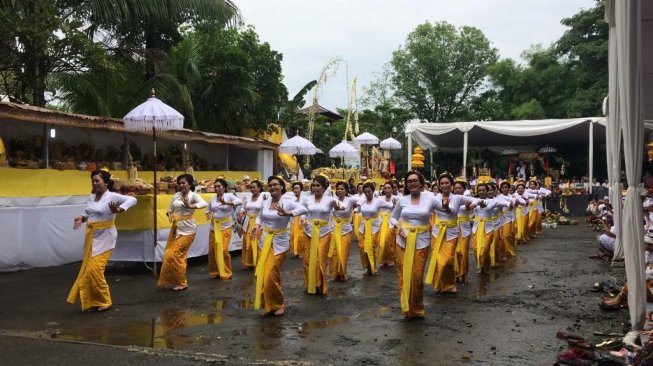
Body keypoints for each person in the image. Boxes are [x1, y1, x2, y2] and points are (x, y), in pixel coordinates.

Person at [69, 170, 136, 312]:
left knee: (95, 269)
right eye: (93, 181)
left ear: (106, 182)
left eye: (97, 180)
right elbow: (92, 214)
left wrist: (119, 209)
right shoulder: (92, 197)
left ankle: (105, 300)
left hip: (106, 237)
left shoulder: (111, 196)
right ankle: (93, 301)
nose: (94, 183)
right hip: (92, 237)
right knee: (88, 271)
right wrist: (82, 218)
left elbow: (132, 199)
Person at [251, 176, 307, 316]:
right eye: (270, 185)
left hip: (280, 242)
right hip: (264, 241)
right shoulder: (265, 202)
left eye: (275, 184)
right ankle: (268, 305)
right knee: (264, 274)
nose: (272, 187)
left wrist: (288, 213)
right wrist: (257, 226)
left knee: (271, 273)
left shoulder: (288, 202)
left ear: (282, 186)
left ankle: (278, 303)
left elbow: (303, 209)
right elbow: (260, 217)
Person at [390, 171, 438, 319]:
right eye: (409, 181)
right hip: (403, 241)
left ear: (421, 183)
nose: (412, 183)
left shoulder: (430, 199)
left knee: (417, 277)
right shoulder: (402, 200)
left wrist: (459, 207)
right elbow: (392, 218)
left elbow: (446, 210)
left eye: (415, 180)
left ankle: (416, 309)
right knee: (403, 275)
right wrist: (398, 227)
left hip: (421, 241)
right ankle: (406, 308)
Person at [425, 173, 477, 293]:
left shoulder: (458, 198)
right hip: (437, 232)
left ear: (451, 185)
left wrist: (474, 204)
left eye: (447, 183)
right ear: (439, 185)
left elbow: (476, 199)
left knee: (447, 260)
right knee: (438, 260)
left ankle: (449, 284)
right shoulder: (434, 198)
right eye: (442, 183)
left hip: (452, 232)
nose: (444, 185)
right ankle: (440, 284)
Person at [158, 174, 207, 291]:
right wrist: (170, 214)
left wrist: (190, 205)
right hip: (176, 229)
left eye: (183, 183)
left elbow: (204, 204)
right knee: (173, 255)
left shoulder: (193, 195)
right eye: (179, 183)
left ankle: (182, 282)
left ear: (190, 184)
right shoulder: (176, 195)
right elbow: (170, 210)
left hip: (188, 230)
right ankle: (178, 279)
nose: (181, 185)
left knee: (173, 254)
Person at [300, 175, 342, 295]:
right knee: (307, 259)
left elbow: (339, 206)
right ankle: (310, 283)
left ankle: (320, 284)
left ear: (324, 188)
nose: (315, 187)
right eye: (313, 185)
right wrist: (303, 219)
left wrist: (340, 207)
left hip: (324, 232)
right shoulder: (307, 199)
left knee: (320, 259)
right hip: (309, 231)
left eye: (318, 185)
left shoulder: (330, 199)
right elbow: (303, 211)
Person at [205, 178, 242, 280]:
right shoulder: (212, 198)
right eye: (215, 186)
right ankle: (215, 271)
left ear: (224, 187)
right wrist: (208, 214)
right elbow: (208, 210)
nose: (217, 188)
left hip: (225, 226)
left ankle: (226, 271)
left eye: (219, 186)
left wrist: (227, 203)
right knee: (212, 249)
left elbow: (240, 201)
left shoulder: (228, 196)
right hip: (214, 227)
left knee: (224, 249)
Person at [356, 181, 395, 275]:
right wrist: (353, 209)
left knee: (370, 246)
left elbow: (391, 207)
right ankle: (367, 266)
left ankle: (373, 267)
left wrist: (395, 205)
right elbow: (358, 210)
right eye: (365, 192)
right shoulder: (362, 201)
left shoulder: (378, 201)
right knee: (362, 247)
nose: (367, 194)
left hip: (374, 227)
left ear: (373, 191)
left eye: (369, 192)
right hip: (363, 226)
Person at [330, 181, 357, 281]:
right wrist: (335, 209)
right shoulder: (332, 200)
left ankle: (342, 273)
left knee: (344, 252)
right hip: (334, 228)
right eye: (338, 189)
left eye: (342, 189)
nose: (340, 190)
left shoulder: (350, 200)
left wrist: (350, 206)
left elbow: (361, 199)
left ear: (346, 190)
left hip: (346, 229)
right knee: (335, 252)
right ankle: (336, 273)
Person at [239, 180, 266, 270]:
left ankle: (257, 262)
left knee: (256, 242)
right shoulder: (248, 197)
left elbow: (264, 211)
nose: (252, 189)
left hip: (257, 222)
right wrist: (242, 212)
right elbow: (243, 207)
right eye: (251, 187)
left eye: (254, 187)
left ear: (259, 188)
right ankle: (249, 262)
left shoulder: (263, 198)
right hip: (247, 221)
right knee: (248, 242)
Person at [453, 177, 473, 283]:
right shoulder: (451, 198)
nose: (457, 190)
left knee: (463, 252)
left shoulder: (467, 197)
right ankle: (456, 274)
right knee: (456, 252)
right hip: (454, 228)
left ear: (463, 188)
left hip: (464, 228)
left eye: (459, 188)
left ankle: (464, 274)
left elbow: (471, 206)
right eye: (455, 188)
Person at [378, 182, 398, 267]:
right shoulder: (380, 198)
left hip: (392, 222)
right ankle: (384, 260)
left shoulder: (397, 198)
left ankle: (393, 258)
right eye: (385, 188)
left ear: (392, 189)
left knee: (389, 240)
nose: (387, 190)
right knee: (381, 241)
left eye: (389, 188)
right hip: (381, 221)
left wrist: (395, 206)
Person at [289, 182, 304, 258]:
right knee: (293, 235)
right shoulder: (291, 199)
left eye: (297, 188)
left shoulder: (305, 199)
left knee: (301, 236)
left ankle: (302, 251)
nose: (296, 190)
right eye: (294, 188)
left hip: (302, 219)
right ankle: (295, 251)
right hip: (293, 219)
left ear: (301, 189)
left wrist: (303, 219)